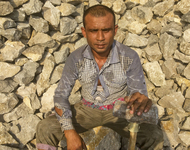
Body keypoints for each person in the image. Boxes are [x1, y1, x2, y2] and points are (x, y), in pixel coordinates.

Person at [36, 4, 163, 150]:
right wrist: (69, 131)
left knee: (154, 134)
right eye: (94, 31)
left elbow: (138, 93)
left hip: (119, 110)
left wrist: (139, 100)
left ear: (115, 30)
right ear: (84, 32)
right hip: (86, 110)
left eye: (106, 30)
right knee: (45, 128)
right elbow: (60, 96)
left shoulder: (129, 56)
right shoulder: (76, 58)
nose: (100, 37)